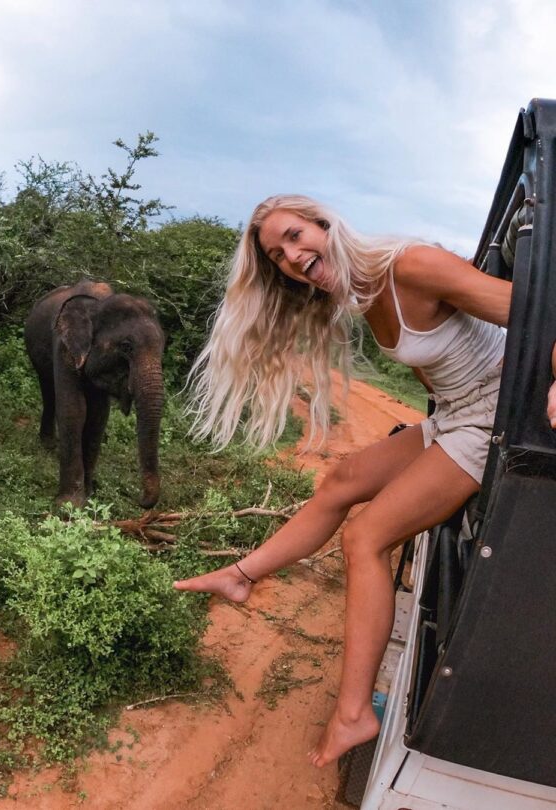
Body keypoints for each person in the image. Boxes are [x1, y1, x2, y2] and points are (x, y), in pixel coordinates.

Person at [174, 194, 553, 768]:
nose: (293, 256)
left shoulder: (409, 266)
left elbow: (540, 312)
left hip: (497, 414)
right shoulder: (363, 290)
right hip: (457, 412)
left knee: (366, 537)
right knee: (342, 480)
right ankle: (240, 575)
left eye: (297, 236)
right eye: (278, 255)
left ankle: (354, 714)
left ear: (326, 224)